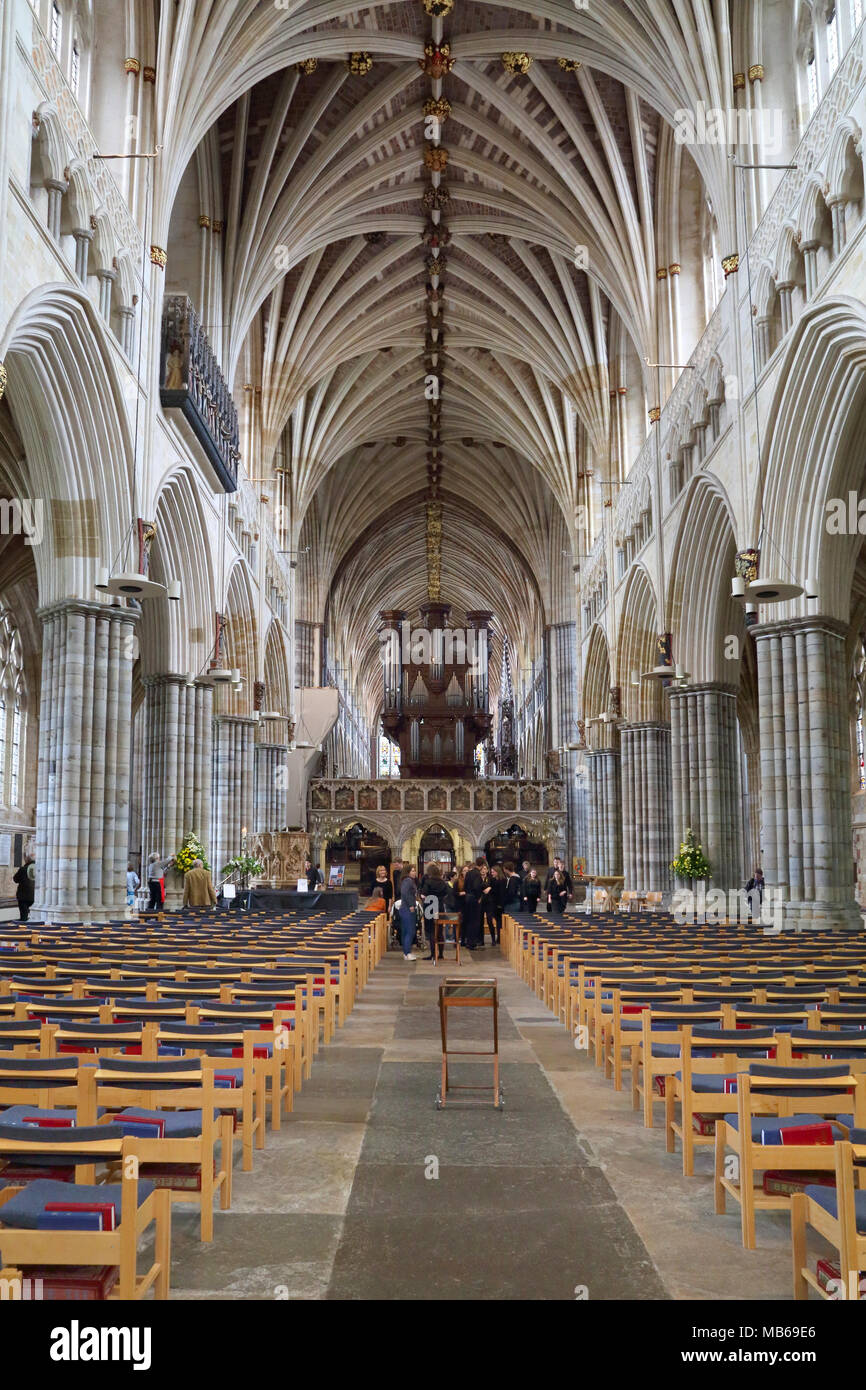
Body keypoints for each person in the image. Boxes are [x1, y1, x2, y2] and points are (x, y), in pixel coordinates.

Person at [421, 861, 448, 960]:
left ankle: (433, 954)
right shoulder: (442, 882)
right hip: (440, 907)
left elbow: (423, 894)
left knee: (431, 931)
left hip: (430, 907)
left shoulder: (428, 882)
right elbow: (446, 894)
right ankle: (441, 954)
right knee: (440, 931)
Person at [460, 857, 485, 950]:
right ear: (482, 865)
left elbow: (465, 886)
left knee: (469, 921)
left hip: (468, 898)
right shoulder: (477, 874)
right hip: (474, 899)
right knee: (475, 922)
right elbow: (476, 887)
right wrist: (479, 897)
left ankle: (468, 942)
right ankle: (472, 943)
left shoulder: (469, 873)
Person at [397, 862, 419, 960]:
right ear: (408, 872)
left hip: (405, 908)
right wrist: (411, 905)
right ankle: (407, 953)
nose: (415, 873)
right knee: (410, 931)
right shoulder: (408, 881)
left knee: (406, 931)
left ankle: (406, 953)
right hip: (407, 908)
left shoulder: (407, 880)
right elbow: (405, 893)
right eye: (413, 871)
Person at [13, 856, 35, 922]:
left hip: (23, 896)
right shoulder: (38, 868)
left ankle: (23, 930)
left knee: (24, 917)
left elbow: (15, 879)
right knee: (35, 917)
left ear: (26, 860)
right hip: (35, 896)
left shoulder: (23, 869)